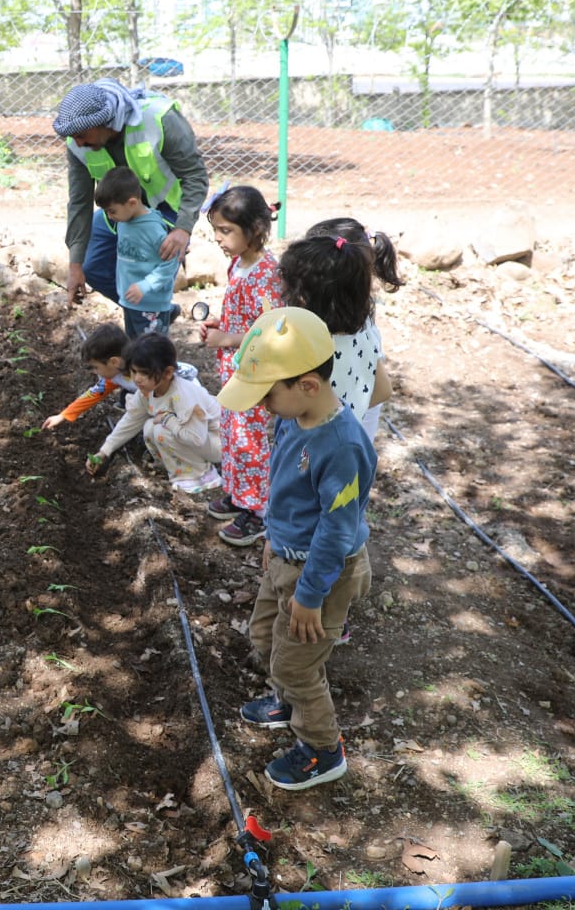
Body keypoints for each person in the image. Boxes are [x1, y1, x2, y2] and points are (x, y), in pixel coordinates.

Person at [217, 307, 376, 791]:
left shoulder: (341, 447)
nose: (263, 407)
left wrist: (309, 595)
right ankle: (287, 701)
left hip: (324, 573)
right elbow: (287, 489)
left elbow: (335, 530)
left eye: (268, 396)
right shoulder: (295, 417)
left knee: (296, 661)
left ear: (308, 384)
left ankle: (322, 749)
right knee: (264, 634)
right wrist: (272, 536)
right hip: (286, 555)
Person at [52, 78, 209, 307]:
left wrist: (182, 230)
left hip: (165, 211)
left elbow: (195, 176)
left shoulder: (159, 119)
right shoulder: (78, 143)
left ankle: (151, 320)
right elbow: (79, 203)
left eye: (82, 134)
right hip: (118, 213)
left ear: (104, 121)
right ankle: (150, 311)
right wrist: (75, 266)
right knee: (91, 265)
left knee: (148, 270)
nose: (77, 141)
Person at [197, 186, 284, 548]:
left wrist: (230, 339)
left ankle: (259, 511)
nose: (219, 238)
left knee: (251, 440)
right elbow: (242, 314)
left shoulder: (267, 275)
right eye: (216, 230)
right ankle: (237, 494)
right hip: (235, 371)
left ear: (255, 230)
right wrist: (222, 322)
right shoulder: (239, 264)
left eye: (226, 231)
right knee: (233, 432)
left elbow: (274, 329)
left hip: (255, 373)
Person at [286, 219, 405, 442]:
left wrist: (335, 416)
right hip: (353, 440)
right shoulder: (363, 323)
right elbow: (382, 389)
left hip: (323, 446)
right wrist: (353, 412)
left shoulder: (316, 340)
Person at [86, 332, 222, 496]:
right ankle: (175, 467)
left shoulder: (183, 395)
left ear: (167, 373)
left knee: (160, 430)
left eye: (144, 373)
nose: (137, 379)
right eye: (134, 371)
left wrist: (167, 419)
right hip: (198, 439)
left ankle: (200, 476)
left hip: (220, 443)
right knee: (150, 426)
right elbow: (131, 420)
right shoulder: (148, 391)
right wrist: (104, 451)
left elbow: (196, 438)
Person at [94, 166, 178, 337]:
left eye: (112, 211)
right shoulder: (124, 220)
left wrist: (146, 285)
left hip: (150, 304)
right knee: (135, 348)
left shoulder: (152, 228)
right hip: (131, 301)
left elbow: (172, 261)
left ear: (132, 203)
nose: (109, 216)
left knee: (152, 353)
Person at [41, 324, 139, 431]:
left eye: (96, 367)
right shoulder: (115, 375)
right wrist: (64, 415)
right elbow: (94, 393)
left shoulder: (145, 375)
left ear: (114, 362)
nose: (94, 372)